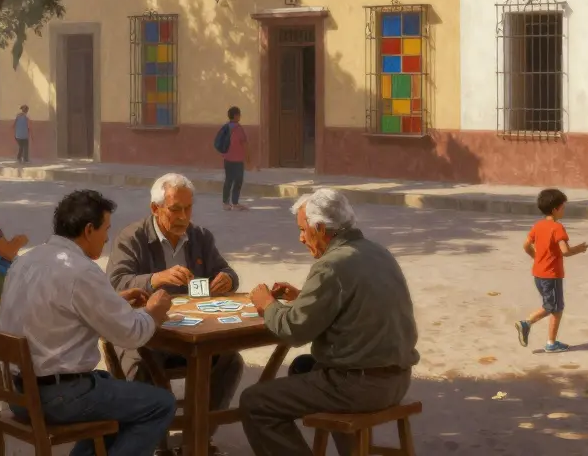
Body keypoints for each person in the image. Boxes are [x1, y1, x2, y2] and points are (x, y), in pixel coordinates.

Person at [241, 189, 419, 456]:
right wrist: (303, 297)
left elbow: (294, 331)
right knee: (303, 368)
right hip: (397, 379)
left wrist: (267, 304)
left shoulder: (331, 265)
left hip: (358, 386)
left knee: (255, 402)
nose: (301, 238)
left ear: (320, 228)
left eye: (303, 230)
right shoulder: (378, 252)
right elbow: (355, 307)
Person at [0, 189, 175, 456]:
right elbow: (132, 335)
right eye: (106, 229)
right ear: (89, 230)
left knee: (110, 389)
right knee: (161, 403)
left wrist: (112, 300)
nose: (106, 239)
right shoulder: (80, 271)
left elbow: (58, 308)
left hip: (20, 394)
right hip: (58, 397)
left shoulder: (27, 260)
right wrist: (154, 313)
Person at [106, 174, 243, 440]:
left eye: (188, 208)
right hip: (145, 333)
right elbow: (116, 285)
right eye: (175, 209)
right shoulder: (132, 238)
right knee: (142, 364)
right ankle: (151, 439)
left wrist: (228, 278)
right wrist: (155, 279)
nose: (183, 216)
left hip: (191, 333)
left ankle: (198, 436)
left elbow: (225, 270)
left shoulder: (200, 236)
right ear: (155, 209)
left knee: (229, 361)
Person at [514, 188, 588, 353]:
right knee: (551, 306)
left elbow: (526, 245)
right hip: (552, 276)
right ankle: (526, 323)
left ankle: (551, 342)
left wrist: (536, 258)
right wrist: (580, 249)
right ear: (555, 209)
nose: (564, 210)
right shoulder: (557, 228)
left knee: (557, 307)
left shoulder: (538, 226)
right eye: (563, 207)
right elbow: (565, 251)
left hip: (538, 274)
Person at [220, 106, 250, 211]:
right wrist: (248, 159)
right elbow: (245, 144)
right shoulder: (238, 129)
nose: (240, 116)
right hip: (238, 160)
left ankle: (225, 203)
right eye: (239, 114)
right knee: (238, 181)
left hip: (227, 158)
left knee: (228, 180)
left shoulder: (225, 127)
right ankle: (235, 203)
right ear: (236, 115)